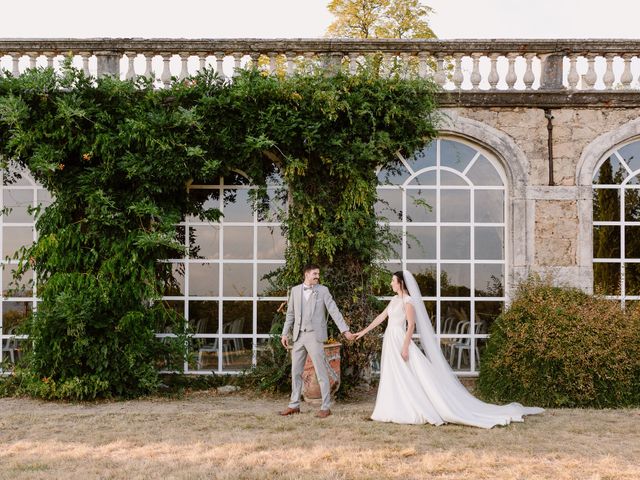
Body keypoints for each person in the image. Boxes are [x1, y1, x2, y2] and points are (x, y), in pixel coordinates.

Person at [354, 270, 544, 428]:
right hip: (390, 338)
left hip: (400, 339)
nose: (391, 284)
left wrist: (405, 347)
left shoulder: (408, 301)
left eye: (393, 281)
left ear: (401, 283)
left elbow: (411, 326)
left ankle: (414, 407)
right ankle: (389, 407)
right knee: (393, 374)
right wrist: (361, 332)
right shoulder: (394, 300)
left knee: (410, 374)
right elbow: (380, 318)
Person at [279, 264, 355, 418]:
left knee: (321, 372)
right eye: (314, 274)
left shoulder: (323, 290)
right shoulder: (295, 291)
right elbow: (290, 314)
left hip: (315, 336)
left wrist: (345, 330)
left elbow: (333, 310)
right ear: (306, 274)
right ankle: (294, 405)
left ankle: (326, 407)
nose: (317, 276)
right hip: (299, 336)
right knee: (295, 372)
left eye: (318, 274)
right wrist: (285, 334)